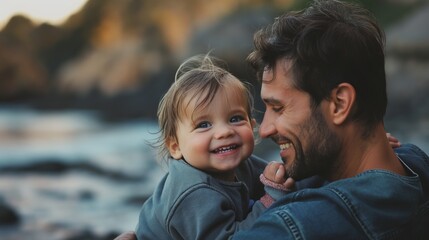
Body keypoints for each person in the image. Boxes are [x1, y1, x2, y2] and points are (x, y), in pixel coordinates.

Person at [232, 0, 429, 239]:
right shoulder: (414, 166)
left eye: (279, 107)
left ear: (340, 103)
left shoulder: (290, 229)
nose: (264, 130)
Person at [134, 54, 292, 240]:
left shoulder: (242, 164)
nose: (224, 132)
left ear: (252, 125)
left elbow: (279, 180)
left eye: (235, 119)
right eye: (203, 125)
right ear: (175, 147)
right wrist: (271, 199)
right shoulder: (194, 194)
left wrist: (282, 177)